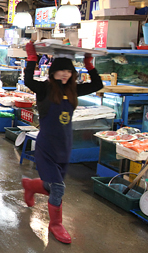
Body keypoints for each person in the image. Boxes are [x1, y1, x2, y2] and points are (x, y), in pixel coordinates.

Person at [22, 41, 103, 244]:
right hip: (47, 147)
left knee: (51, 186)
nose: (65, 75)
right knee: (58, 188)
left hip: (65, 147)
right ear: (53, 72)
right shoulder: (45, 89)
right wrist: (31, 58)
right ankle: (56, 225)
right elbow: (29, 80)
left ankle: (31, 186)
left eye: (68, 71)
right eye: (61, 71)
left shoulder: (73, 90)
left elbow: (97, 85)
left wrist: (90, 65)